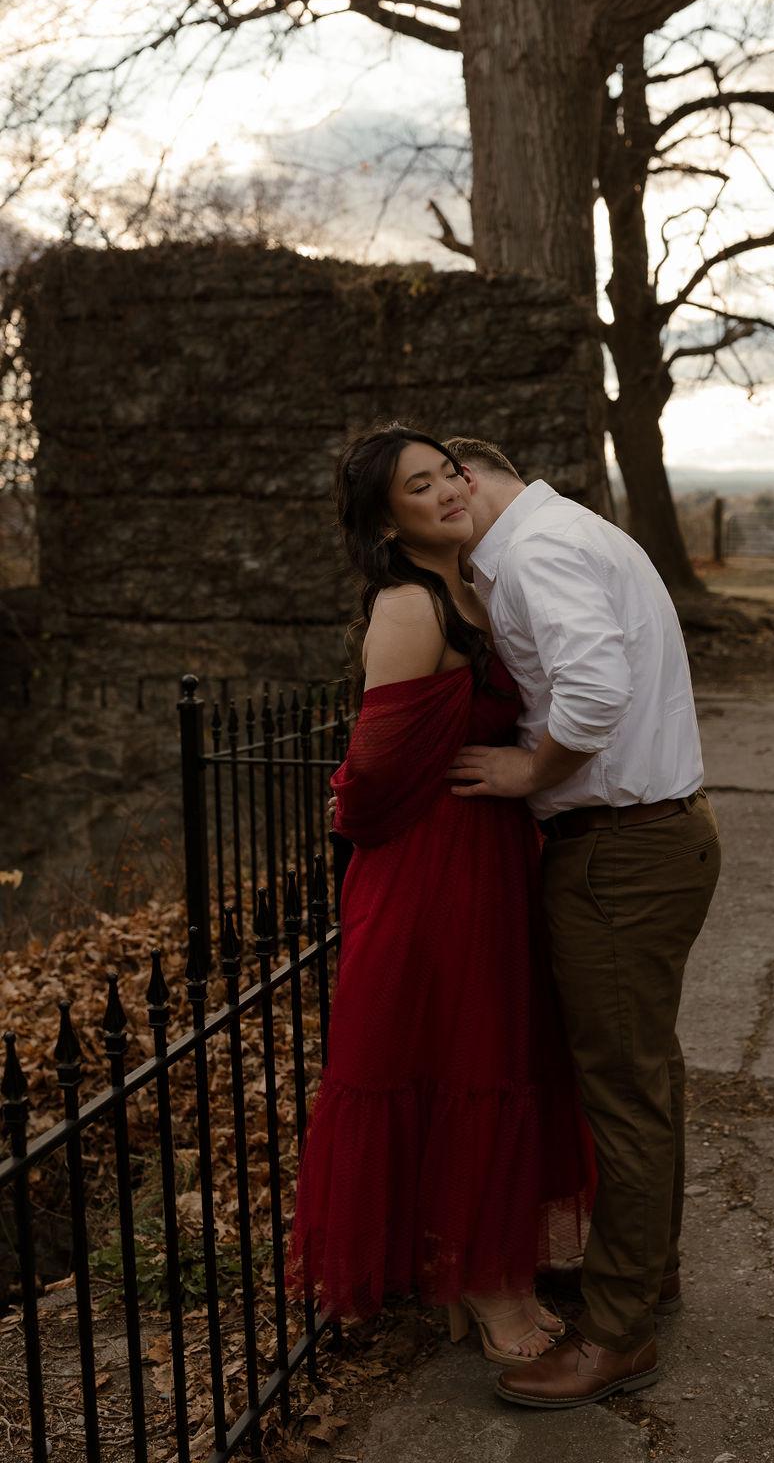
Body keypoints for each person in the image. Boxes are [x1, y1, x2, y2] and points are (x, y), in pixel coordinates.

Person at [286, 424, 594, 1365]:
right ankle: (490, 1289)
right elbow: (371, 770)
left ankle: (472, 1270)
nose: (451, 490)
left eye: (450, 471)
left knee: (495, 1051)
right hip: (432, 866)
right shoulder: (413, 605)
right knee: (464, 1059)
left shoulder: (476, 582)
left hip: (490, 852)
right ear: (388, 519)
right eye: (422, 486)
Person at [444, 437, 722, 1408]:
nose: (441, 510)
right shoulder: (568, 532)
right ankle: (643, 1268)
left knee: (625, 1088)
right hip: (653, 838)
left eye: (444, 489)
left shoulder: (534, 551)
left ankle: (615, 1330)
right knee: (646, 1071)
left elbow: (594, 690)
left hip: (618, 852)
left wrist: (528, 769)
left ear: (471, 477)